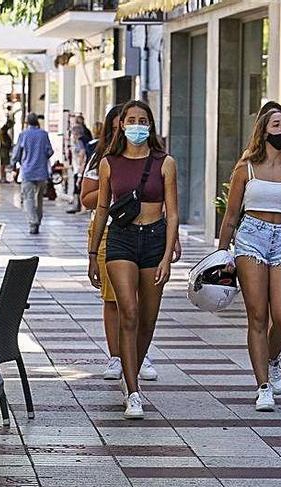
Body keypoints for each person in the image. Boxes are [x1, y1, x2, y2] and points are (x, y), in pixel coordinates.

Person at [217, 109, 281, 411]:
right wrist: (223, 253)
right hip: (251, 238)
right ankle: (263, 386)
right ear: (263, 131)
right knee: (258, 316)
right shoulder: (246, 167)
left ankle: (272, 358)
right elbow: (232, 215)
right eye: (276, 124)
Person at [87, 100, 179, 420]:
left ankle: (132, 374)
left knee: (148, 320)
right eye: (131, 120)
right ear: (122, 125)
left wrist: (168, 254)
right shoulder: (109, 162)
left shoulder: (165, 162)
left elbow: (173, 211)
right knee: (129, 310)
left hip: (154, 240)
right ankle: (133, 390)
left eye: (143, 119)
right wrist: (91, 252)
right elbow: (101, 209)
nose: (137, 125)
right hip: (121, 240)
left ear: (150, 125)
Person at [12, 112, 54, 235]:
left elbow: (17, 153)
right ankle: (38, 221)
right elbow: (50, 151)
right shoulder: (44, 134)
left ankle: (32, 222)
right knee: (39, 198)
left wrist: (16, 163)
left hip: (27, 171)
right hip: (41, 172)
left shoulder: (23, 135)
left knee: (28, 198)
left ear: (26, 122)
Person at [0, 118, 14, 184]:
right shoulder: (3, 130)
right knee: (3, 164)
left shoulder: (5, 130)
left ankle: (3, 177)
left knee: (4, 164)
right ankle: (2, 177)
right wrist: (6, 144)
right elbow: (2, 139)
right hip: (4, 149)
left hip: (5, 149)